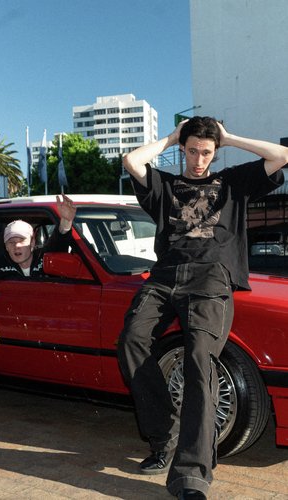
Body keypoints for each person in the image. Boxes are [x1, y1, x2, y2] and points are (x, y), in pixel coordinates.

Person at [117, 116, 287, 500]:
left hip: (210, 279)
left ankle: (191, 476)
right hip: (165, 277)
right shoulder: (165, 185)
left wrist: (229, 138)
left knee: (199, 359)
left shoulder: (233, 182)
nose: (198, 160)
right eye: (192, 151)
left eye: (206, 152)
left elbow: (281, 155)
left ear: (215, 152)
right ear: (183, 149)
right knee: (131, 340)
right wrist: (172, 136)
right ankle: (165, 435)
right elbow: (131, 160)